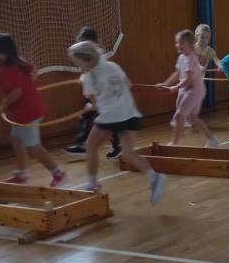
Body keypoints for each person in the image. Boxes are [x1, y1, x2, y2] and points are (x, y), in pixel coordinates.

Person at [68, 41, 164, 202]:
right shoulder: (113, 65)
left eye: (76, 62)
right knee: (128, 153)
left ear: (84, 60)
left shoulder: (89, 77)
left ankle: (92, 183)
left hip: (110, 116)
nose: (76, 65)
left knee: (90, 146)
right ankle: (154, 177)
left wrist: (88, 106)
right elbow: (128, 84)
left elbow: (95, 105)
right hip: (128, 113)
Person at [0, 33, 68, 186]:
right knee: (16, 140)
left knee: (33, 147)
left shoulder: (8, 70)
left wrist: (4, 104)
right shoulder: (19, 62)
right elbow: (33, 70)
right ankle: (21, 175)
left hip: (28, 113)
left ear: (7, 52)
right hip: (25, 111)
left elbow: (17, 92)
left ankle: (59, 174)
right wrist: (29, 83)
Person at [65, 27, 122, 158]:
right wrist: (84, 78)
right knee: (87, 117)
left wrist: (93, 103)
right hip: (96, 93)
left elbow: (96, 74)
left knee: (108, 121)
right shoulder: (86, 54)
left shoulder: (98, 56)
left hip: (102, 95)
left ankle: (117, 146)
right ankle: (83, 145)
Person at [159, 29, 218, 147]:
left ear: (190, 44)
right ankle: (212, 139)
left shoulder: (190, 58)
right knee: (192, 117)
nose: (178, 45)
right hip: (194, 90)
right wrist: (165, 84)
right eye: (177, 43)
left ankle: (175, 143)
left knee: (179, 115)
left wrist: (175, 87)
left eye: (181, 43)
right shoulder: (181, 57)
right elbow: (177, 73)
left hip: (195, 91)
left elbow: (188, 79)